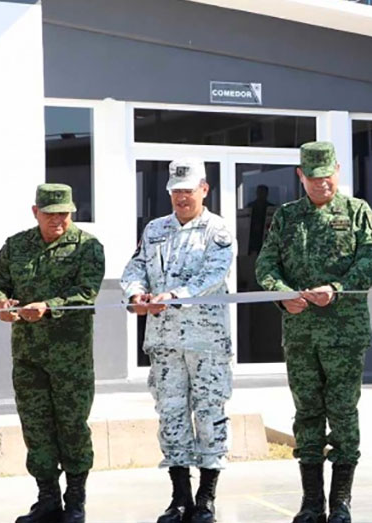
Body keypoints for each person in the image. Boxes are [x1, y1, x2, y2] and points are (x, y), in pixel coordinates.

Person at [255, 141, 372, 523]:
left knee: (343, 414)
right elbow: (266, 263)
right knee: (307, 415)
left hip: (344, 334)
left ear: (338, 171)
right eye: (313, 179)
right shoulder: (287, 216)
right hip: (300, 334)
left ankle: (341, 502)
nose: (321, 185)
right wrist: (281, 295)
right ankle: (311, 502)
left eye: (327, 178)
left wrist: (337, 290)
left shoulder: (357, 212)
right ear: (301, 176)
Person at [120, 158, 235, 523]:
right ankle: (180, 497)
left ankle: (206, 498)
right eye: (176, 191)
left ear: (204, 189)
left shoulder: (217, 231)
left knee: (209, 414)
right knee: (171, 416)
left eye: (188, 190)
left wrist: (174, 295)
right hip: (164, 342)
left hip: (207, 343)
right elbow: (135, 266)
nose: (182, 198)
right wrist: (137, 294)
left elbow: (213, 277)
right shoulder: (155, 229)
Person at [0, 183, 105, 523]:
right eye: (51, 215)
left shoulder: (88, 247)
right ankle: (47, 499)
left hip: (71, 359)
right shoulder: (17, 245)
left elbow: (87, 294)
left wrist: (48, 307)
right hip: (28, 356)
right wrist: (0, 304)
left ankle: (76, 502)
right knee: (36, 427)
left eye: (64, 214)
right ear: (35, 212)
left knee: (72, 427)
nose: (58, 222)